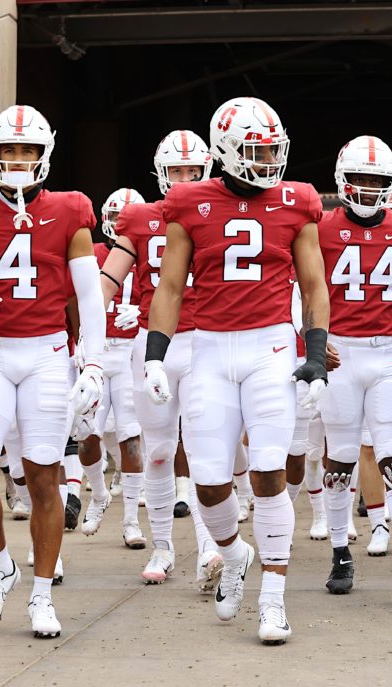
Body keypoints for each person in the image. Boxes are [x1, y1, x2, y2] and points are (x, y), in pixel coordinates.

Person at [148, 96, 329, 645]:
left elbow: (314, 285)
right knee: (207, 483)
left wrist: (315, 356)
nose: (268, 159)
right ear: (226, 150)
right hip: (209, 347)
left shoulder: (297, 201)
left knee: (269, 471)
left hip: (270, 346)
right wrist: (156, 354)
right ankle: (233, 555)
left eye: (274, 149)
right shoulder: (189, 201)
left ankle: (273, 600)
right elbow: (172, 287)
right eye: (257, 149)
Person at [0, 104, 105, 638]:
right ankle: (0, 568)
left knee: (43, 479)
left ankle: (40, 593)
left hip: (47, 354)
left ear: (44, 154)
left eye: (27, 150)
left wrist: (94, 362)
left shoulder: (70, 210)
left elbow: (88, 298)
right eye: (8, 150)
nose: (17, 159)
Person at [316, 134, 392, 599]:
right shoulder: (321, 227)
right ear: (343, 181)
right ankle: (341, 551)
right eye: (359, 179)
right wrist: (312, 341)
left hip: (389, 352)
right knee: (341, 458)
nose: (367, 188)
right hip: (340, 352)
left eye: (377, 180)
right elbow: (303, 287)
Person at [98, 130, 220, 588]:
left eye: (193, 171)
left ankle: (210, 544)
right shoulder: (141, 218)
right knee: (159, 451)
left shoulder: (218, 213)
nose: (185, 179)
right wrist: (80, 334)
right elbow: (106, 283)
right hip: (152, 346)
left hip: (205, 342)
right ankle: (164, 546)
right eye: (176, 172)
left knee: (208, 447)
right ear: (160, 174)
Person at [75, 187, 147, 552]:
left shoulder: (150, 250)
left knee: (131, 438)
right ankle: (99, 494)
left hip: (133, 351)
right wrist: (80, 341)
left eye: (126, 219)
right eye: (117, 218)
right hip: (99, 353)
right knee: (87, 433)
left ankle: (132, 520)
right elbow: (77, 298)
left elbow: (171, 291)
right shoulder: (92, 254)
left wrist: (143, 313)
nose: (121, 225)